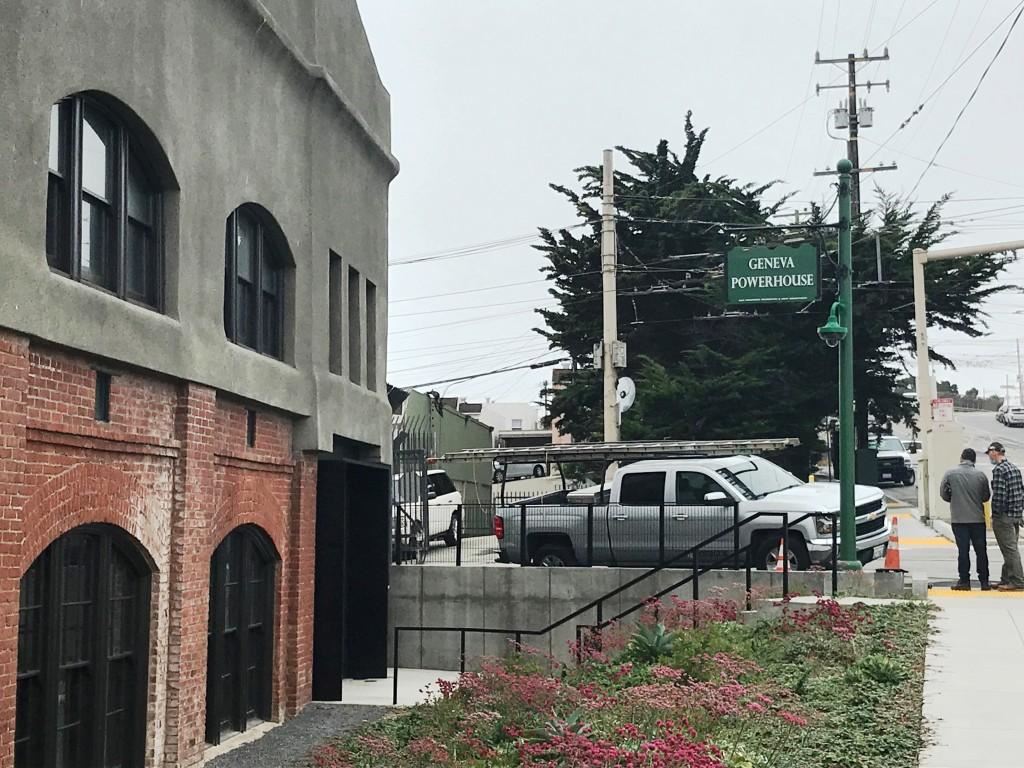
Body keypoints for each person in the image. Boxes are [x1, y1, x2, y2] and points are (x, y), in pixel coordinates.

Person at [940, 448, 991, 590]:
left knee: (963, 551)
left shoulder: (950, 474)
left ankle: (964, 581)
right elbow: (986, 496)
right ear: (974, 460)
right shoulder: (981, 475)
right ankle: (984, 581)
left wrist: (954, 499)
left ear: (961, 458)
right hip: (977, 520)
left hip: (959, 519)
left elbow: (943, 494)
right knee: (981, 551)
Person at [986, 441, 1024, 591]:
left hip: (1004, 516)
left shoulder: (999, 470)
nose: (989, 455)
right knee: (1010, 548)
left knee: (1009, 549)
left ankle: (1017, 580)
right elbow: (1021, 492)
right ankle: (1006, 578)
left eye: (989, 452)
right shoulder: (1014, 468)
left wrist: (994, 515)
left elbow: (999, 497)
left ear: (995, 452)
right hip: (1015, 514)